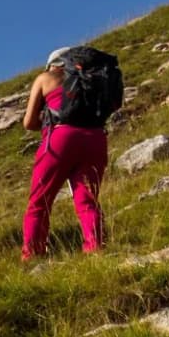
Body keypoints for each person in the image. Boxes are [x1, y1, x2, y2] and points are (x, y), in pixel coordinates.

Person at [23, 46, 121, 260]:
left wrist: (49, 116)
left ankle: (32, 254)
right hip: (95, 138)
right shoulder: (95, 79)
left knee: (40, 201)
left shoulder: (46, 78)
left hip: (60, 139)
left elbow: (28, 122)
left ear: (54, 64)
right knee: (87, 199)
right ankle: (95, 248)